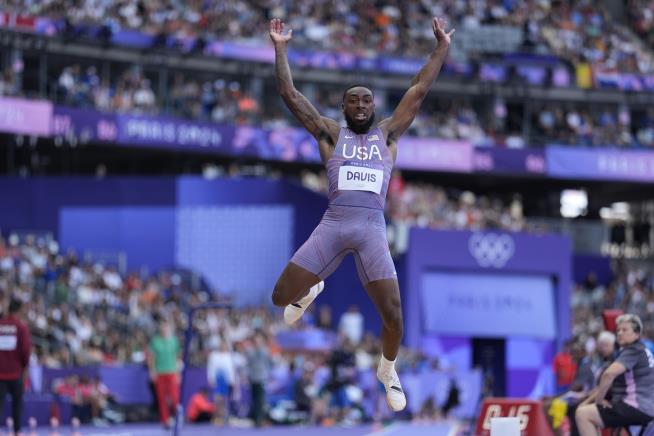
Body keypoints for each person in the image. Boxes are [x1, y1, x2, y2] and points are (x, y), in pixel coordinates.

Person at [268, 16, 454, 412]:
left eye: (366, 99)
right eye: (353, 100)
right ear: (343, 106)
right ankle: (310, 289)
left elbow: (420, 88)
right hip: (334, 226)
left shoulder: (387, 135)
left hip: (371, 231)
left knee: (394, 317)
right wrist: (281, 48)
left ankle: (388, 371)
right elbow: (289, 93)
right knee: (280, 297)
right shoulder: (330, 134)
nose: (360, 105)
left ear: (374, 105)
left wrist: (441, 47)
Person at [575, 314, 654, 435]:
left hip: (636, 407)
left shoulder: (633, 350)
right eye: (618, 330)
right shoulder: (641, 350)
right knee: (586, 411)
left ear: (637, 334)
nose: (620, 333)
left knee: (583, 414)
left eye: (625, 330)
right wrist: (589, 402)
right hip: (643, 407)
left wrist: (598, 402)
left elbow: (608, 375)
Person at [0, 298, 32, 435]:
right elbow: (25, 350)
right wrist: (25, 367)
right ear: (19, 311)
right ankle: (17, 431)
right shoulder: (21, 327)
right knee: (17, 405)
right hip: (15, 374)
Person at [147, 320, 181, 429]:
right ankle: (165, 421)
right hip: (160, 372)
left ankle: (177, 418)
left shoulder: (174, 341)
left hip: (172, 372)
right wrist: (152, 371)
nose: (164, 329)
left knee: (175, 398)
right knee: (162, 399)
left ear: (170, 328)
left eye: (166, 327)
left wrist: (178, 373)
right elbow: (151, 358)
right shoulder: (155, 341)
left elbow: (177, 358)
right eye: (163, 327)